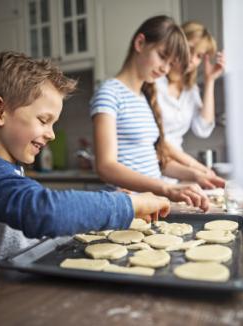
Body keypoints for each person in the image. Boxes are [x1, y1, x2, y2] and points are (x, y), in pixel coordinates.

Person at [0, 51, 170, 282]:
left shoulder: (7, 166)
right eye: (44, 120)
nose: (52, 135)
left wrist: (110, 195)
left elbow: (48, 205)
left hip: (22, 286)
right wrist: (128, 204)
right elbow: (43, 211)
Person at [90, 15, 210, 210]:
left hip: (150, 207)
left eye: (171, 63)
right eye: (162, 56)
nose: (165, 68)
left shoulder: (144, 98)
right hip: (128, 207)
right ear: (140, 43)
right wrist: (167, 188)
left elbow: (157, 162)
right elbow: (106, 167)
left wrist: (194, 175)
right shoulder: (109, 92)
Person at [156, 21, 226, 189]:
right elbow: (158, 142)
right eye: (190, 49)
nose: (192, 59)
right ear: (176, 43)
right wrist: (197, 168)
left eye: (199, 56)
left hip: (174, 176)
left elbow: (203, 129)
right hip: (149, 170)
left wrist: (210, 81)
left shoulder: (190, 90)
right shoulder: (154, 82)